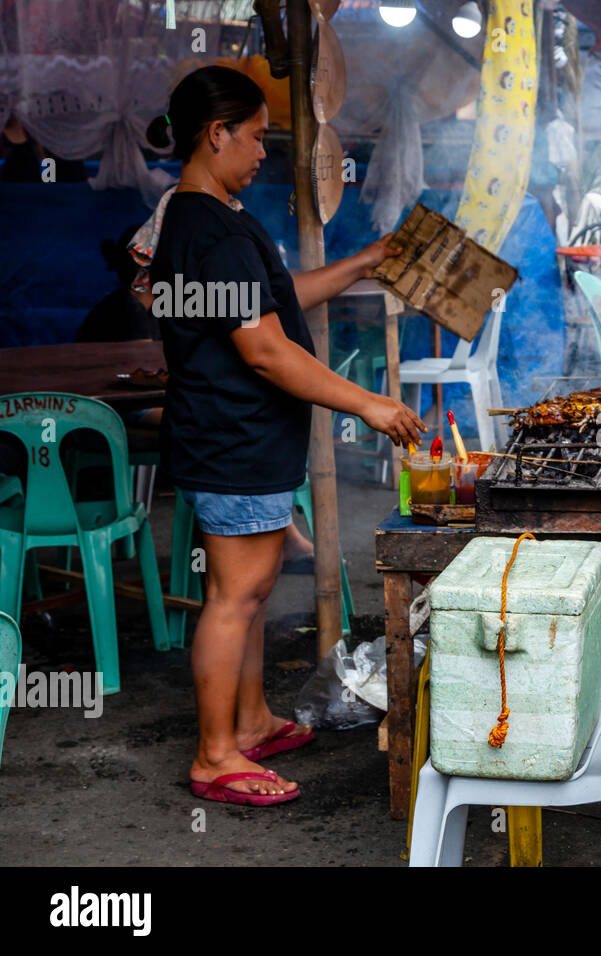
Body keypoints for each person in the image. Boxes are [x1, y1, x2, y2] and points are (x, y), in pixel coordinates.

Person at [142, 66, 425, 805]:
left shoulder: (198, 220)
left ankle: (251, 719)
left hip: (232, 439)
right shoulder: (213, 228)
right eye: (258, 135)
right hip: (232, 439)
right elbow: (263, 346)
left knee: (253, 590)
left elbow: (279, 299)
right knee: (235, 597)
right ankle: (214, 757)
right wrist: (366, 403)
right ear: (217, 133)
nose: (265, 151)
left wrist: (361, 262)